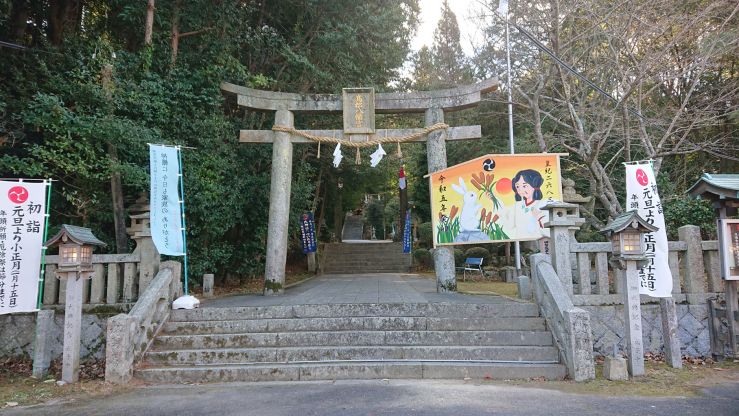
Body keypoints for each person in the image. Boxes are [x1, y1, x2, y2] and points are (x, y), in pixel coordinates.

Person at [504, 169, 551, 240]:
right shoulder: (517, 205)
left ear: (535, 184)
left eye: (524, 186)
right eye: (517, 186)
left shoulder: (543, 204)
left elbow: (549, 230)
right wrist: (503, 213)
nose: (520, 190)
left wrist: (539, 218)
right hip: (520, 240)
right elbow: (509, 226)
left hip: (540, 241)